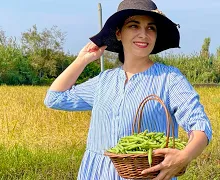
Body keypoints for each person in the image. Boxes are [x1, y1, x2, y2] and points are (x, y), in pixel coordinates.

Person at [44, 0, 212, 179]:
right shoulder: (104, 81)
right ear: (118, 33)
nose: (143, 34)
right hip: (97, 174)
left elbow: (200, 126)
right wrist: (82, 60)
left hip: (146, 174)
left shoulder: (169, 79)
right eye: (134, 26)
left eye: (151, 28)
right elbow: (54, 98)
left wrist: (185, 156)